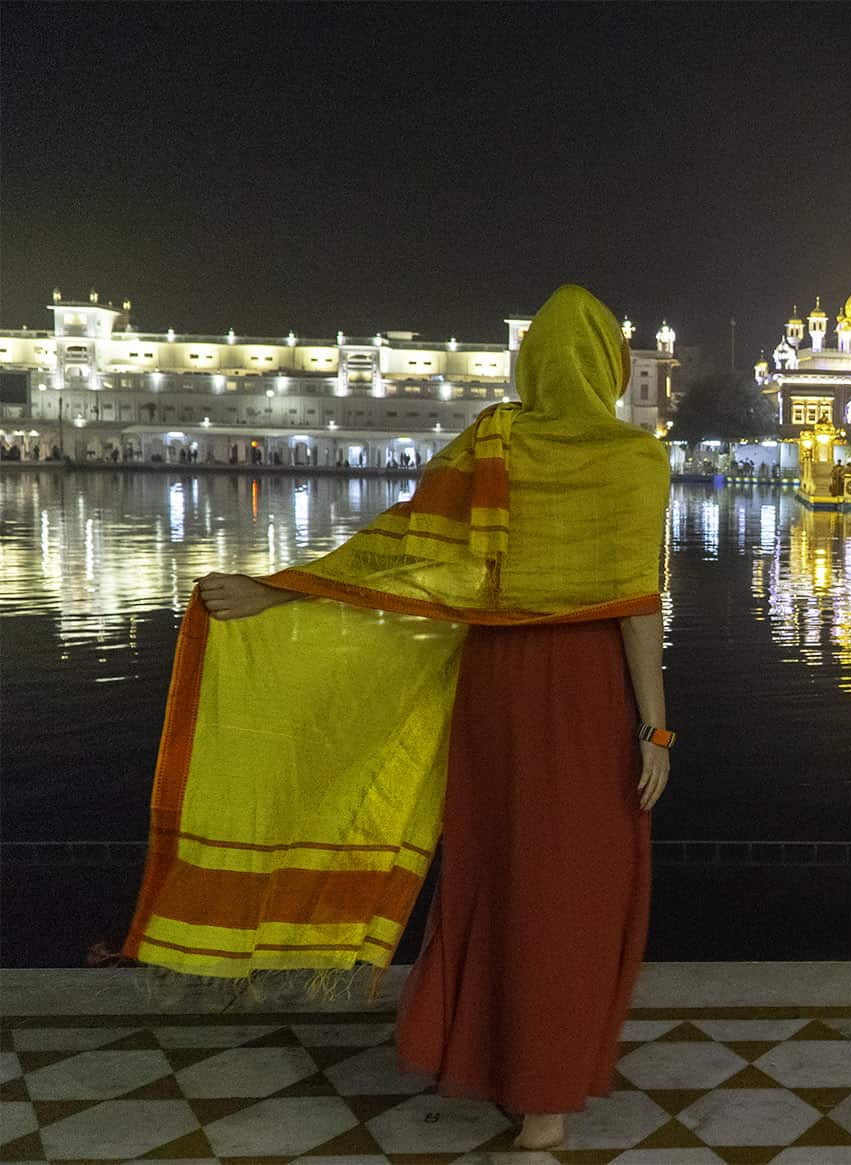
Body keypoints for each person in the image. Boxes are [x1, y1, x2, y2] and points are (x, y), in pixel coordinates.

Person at [121, 286, 672, 1152]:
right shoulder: (635, 459)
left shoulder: (495, 441)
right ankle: (546, 1098)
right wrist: (657, 730)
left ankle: (510, 1070)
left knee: (498, 877)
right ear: (611, 365)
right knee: (577, 891)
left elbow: (407, 554)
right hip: (589, 693)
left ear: (531, 362)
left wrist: (281, 591)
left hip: (497, 687)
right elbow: (642, 605)